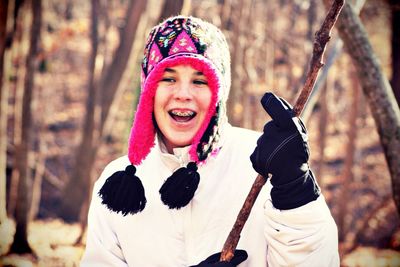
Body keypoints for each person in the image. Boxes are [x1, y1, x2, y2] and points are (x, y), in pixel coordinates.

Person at [80, 15, 339, 267]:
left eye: (199, 81)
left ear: (219, 94)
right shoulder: (115, 182)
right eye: (168, 78)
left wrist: (296, 187)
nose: (183, 94)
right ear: (149, 90)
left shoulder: (266, 161)